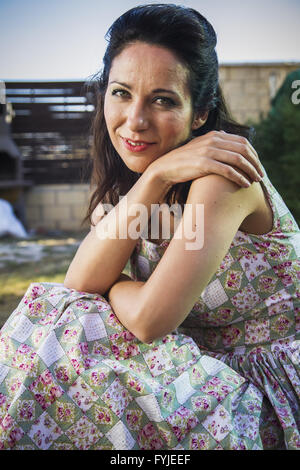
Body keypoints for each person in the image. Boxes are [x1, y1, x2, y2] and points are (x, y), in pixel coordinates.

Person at [0, 4, 299, 451]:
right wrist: (156, 177)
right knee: (61, 319)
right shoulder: (145, 180)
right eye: (122, 93)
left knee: (79, 329)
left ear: (200, 114)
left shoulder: (223, 178)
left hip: (265, 394)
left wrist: (114, 285)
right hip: (198, 374)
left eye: (163, 100)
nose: (135, 120)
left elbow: (146, 320)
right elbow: (75, 286)